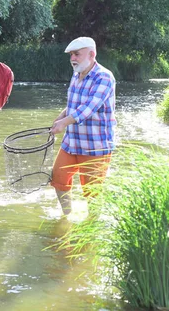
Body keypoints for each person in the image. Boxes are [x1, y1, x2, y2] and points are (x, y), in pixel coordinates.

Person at [49, 37, 116, 215]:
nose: (73, 58)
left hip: (95, 146)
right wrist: (61, 116)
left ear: (92, 54)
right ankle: (67, 217)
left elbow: (88, 108)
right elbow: (74, 104)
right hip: (72, 142)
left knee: (92, 192)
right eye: (71, 54)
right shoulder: (76, 73)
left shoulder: (104, 77)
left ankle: (93, 226)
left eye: (77, 54)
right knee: (58, 178)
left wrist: (64, 122)